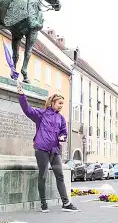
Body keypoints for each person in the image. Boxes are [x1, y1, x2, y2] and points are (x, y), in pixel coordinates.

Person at [17, 83, 80, 213]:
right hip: (42, 150)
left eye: (62, 104)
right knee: (43, 175)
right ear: (52, 102)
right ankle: (43, 203)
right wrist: (22, 96)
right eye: (59, 103)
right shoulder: (41, 114)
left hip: (55, 151)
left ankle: (66, 203)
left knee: (60, 176)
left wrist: (63, 137)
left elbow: (64, 132)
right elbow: (27, 110)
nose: (61, 106)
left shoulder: (61, 118)